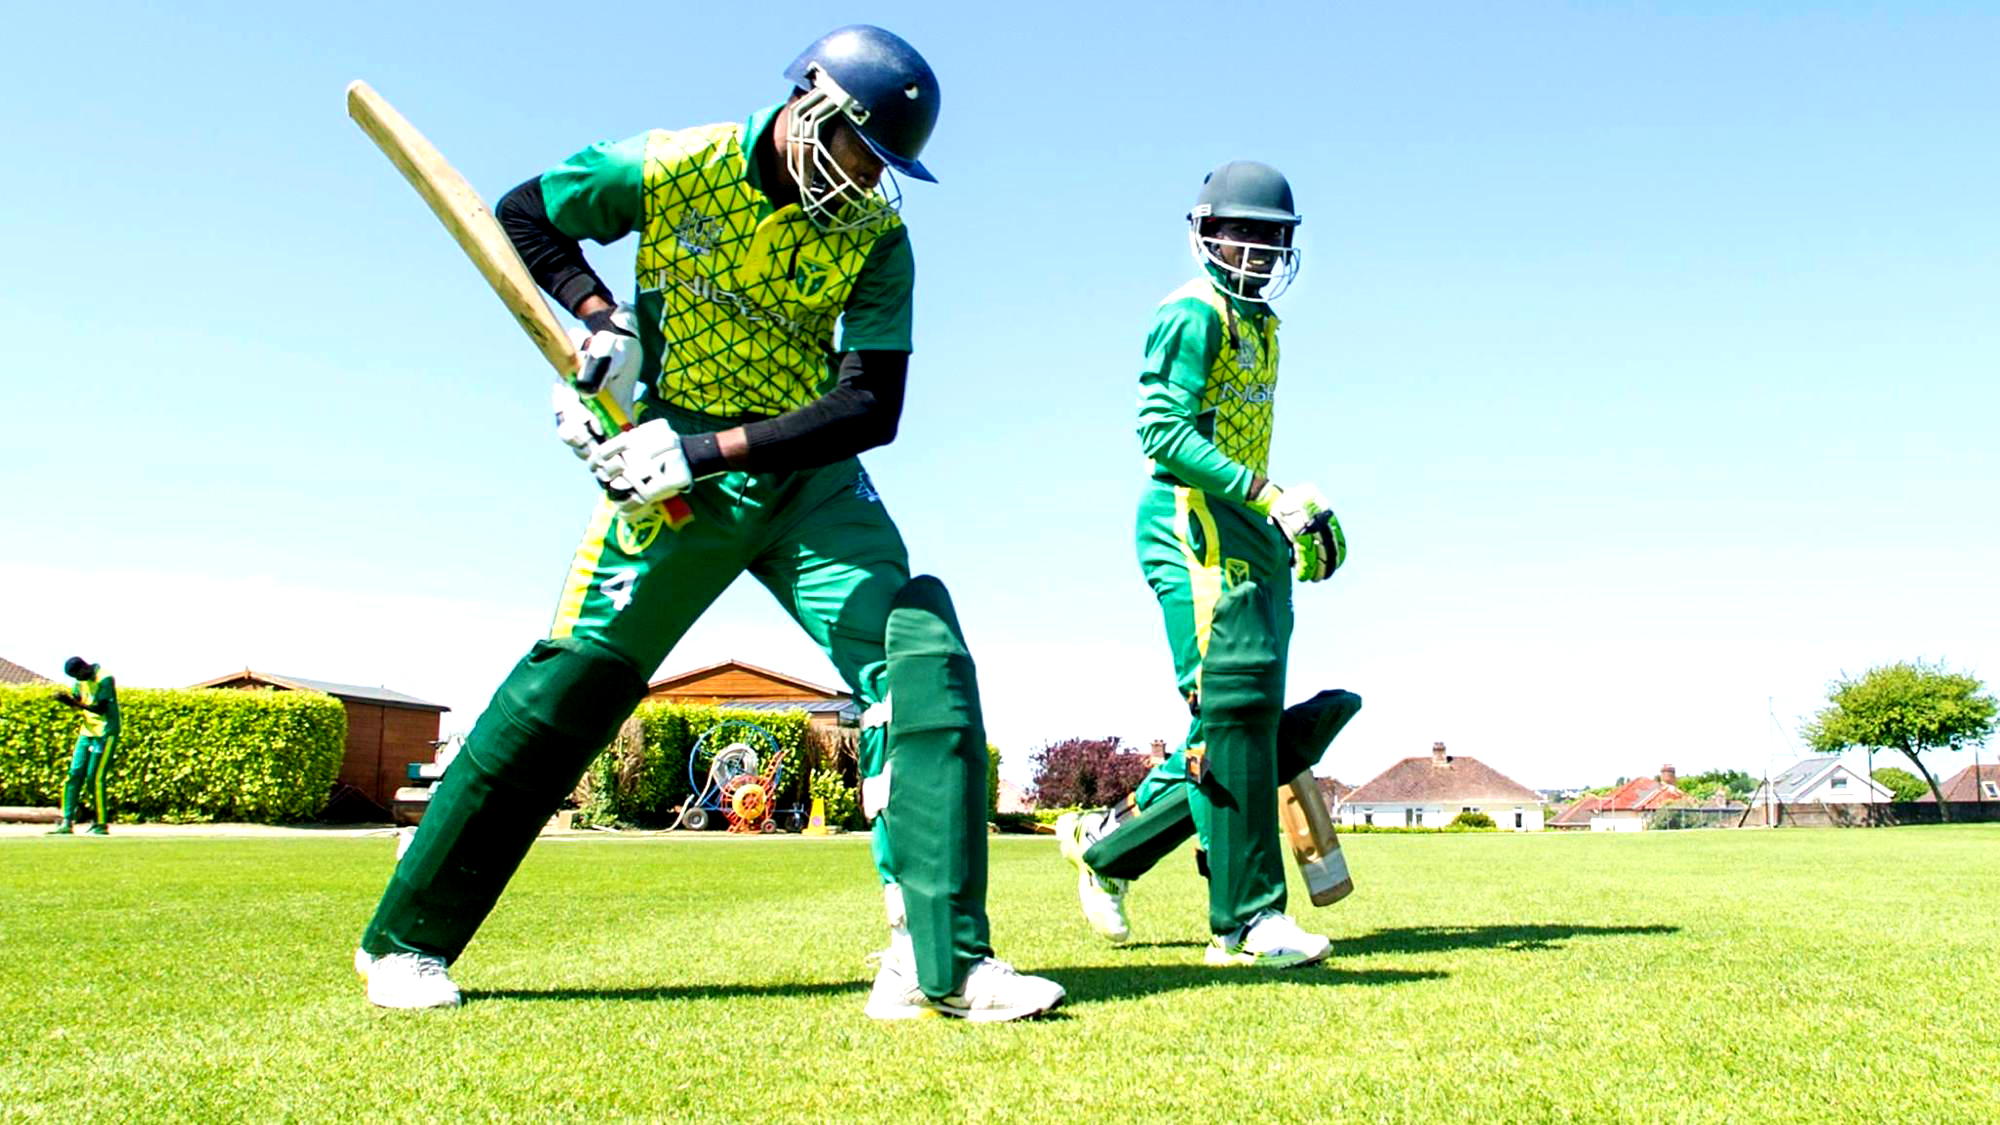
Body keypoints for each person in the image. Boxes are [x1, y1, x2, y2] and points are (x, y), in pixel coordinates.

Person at [352, 25, 1063, 1022]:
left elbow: (872, 407)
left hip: (804, 479)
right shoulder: (672, 164)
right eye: (860, 149)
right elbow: (526, 214)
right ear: (812, 103)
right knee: (572, 688)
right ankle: (406, 942)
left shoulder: (875, 236)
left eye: (883, 166)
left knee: (919, 656)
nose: (864, 179)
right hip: (666, 483)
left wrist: (707, 450)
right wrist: (603, 320)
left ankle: (937, 962)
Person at [1055, 161, 1356, 967]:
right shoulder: (1193, 313)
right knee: (1233, 714)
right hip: (1187, 519)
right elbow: (1161, 432)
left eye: (1273, 236)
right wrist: (1264, 491)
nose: (1257, 249)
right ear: (1206, 233)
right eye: (1243, 232)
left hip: (1242, 520)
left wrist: (1278, 520)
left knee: (1234, 725)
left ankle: (1108, 851)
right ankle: (1248, 921)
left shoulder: (1265, 324)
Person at [51, 656, 120, 835]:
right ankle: (66, 821)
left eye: (77, 675)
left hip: (105, 732)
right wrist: (67, 701)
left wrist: (75, 703)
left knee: (94, 778)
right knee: (74, 773)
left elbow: (100, 708)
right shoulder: (80, 681)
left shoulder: (104, 678)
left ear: (84, 668)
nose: (77, 680)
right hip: (87, 732)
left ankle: (100, 823)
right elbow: (77, 700)